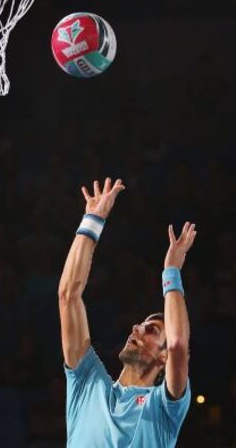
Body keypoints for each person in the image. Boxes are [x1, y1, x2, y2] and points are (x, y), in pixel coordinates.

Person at [58, 177, 196, 447]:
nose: (138, 328)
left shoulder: (164, 409)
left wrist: (172, 271)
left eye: (152, 330)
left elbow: (179, 344)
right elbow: (68, 296)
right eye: (142, 324)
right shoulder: (87, 382)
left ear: (163, 357)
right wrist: (92, 221)